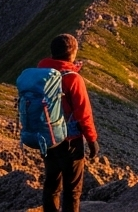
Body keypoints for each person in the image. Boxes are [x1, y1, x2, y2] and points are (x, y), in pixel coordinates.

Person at [37, 34, 100, 212]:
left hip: (46, 137)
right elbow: (83, 113)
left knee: (51, 184)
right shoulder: (73, 78)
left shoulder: (41, 73)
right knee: (72, 189)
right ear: (73, 53)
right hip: (69, 140)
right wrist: (91, 140)